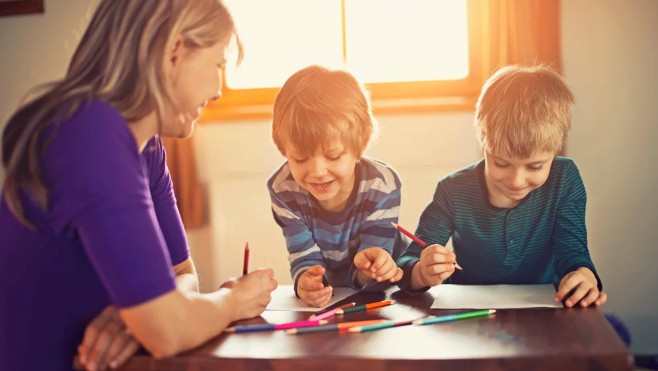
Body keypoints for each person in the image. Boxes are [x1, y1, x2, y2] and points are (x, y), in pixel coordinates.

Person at [0, 1, 278, 370]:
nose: (216, 91)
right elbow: (167, 333)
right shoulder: (91, 134)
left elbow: (183, 274)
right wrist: (232, 300)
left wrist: (133, 316)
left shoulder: (145, 149)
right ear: (174, 51)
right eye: (218, 65)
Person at [396, 65, 608, 308]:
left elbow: (573, 251)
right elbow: (407, 262)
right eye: (501, 163)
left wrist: (582, 274)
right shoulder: (452, 190)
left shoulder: (564, 178)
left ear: (555, 150)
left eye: (536, 167)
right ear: (483, 144)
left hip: (548, 312)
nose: (516, 181)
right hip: (470, 315)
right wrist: (420, 272)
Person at [267, 65, 405, 307]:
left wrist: (370, 268)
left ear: (358, 147)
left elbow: (374, 266)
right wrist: (305, 282)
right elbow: (303, 258)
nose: (318, 172)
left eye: (333, 156)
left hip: (379, 296)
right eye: (300, 158)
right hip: (329, 301)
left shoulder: (382, 184)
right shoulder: (283, 189)